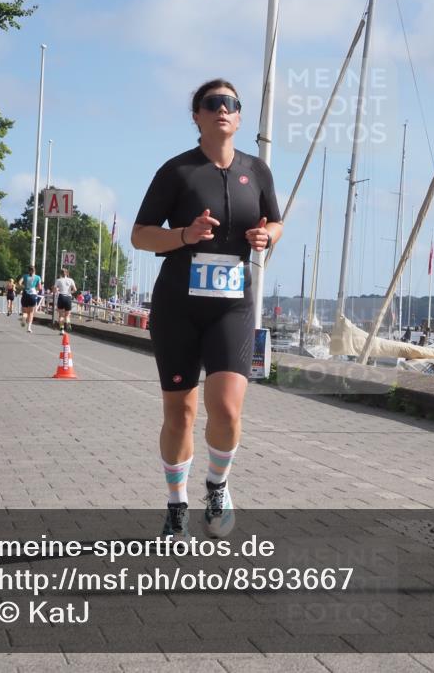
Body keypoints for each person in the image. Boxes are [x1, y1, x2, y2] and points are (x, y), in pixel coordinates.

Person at [131, 79, 282, 541]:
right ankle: (176, 507)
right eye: (212, 103)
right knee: (180, 414)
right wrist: (184, 235)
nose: (222, 109)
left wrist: (266, 237)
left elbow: (275, 222)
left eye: (231, 104)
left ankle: (217, 487)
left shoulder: (257, 172)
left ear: (239, 117)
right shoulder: (177, 172)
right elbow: (140, 235)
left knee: (228, 411)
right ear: (196, 116)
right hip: (178, 306)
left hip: (232, 307)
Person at [18, 265, 41, 333]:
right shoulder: (38, 277)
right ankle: (29, 328)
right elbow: (40, 288)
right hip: (33, 295)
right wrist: (35, 289)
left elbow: (19, 283)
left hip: (25, 294)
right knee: (31, 312)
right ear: (35, 270)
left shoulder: (25, 276)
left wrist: (24, 287)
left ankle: (24, 319)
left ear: (28, 270)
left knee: (25, 311)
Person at [53, 268, 77, 333]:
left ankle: (62, 330)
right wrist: (70, 292)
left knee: (61, 315)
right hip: (68, 297)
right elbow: (75, 289)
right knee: (67, 315)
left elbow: (54, 290)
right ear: (67, 273)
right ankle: (68, 324)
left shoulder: (58, 280)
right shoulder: (71, 280)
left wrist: (57, 291)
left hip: (61, 297)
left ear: (60, 274)